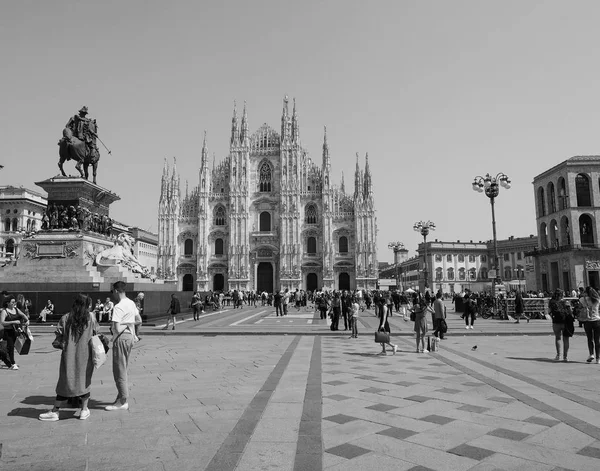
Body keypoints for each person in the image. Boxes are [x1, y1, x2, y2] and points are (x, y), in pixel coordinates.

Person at [38, 294, 98, 421]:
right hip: (86, 355)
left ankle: (55, 410)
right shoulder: (91, 318)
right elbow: (96, 333)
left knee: (65, 381)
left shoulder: (66, 318)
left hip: (69, 355)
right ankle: (84, 410)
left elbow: (58, 334)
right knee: (85, 380)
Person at [105, 281, 140, 411]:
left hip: (121, 337)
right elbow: (139, 320)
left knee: (119, 369)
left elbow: (118, 328)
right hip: (129, 337)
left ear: (115, 291)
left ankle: (123, 401)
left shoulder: (119, 307)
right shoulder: (131, 303)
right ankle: (120, 397)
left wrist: (126, 323)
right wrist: (130, 323)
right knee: (123, 367)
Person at [0, 296, 29, 370]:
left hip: (15, 331)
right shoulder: (4, 311)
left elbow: (23, 315)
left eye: (14, 302)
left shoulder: (16, 309)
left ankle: (8, 360)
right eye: (12, 302)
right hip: (7, 332)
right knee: (11, 347)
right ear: (8, 303)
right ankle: (12, 363)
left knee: (10, 347)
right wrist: (13, 322)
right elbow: (2, 322)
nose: (14, 303)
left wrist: (27, 320)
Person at [580, 286, 600, 364]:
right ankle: (598, 358)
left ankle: (591, 354)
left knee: (589, 339)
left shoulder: (583, 300)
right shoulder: (597, 300)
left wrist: (584, 296)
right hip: (597, 320)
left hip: (587, 320)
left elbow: (580, 307)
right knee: (597, 340)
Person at [549, 289, 570, 362]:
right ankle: (565, 356)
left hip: (556, 322)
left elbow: (549, 311)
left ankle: (558, 355)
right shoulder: (565, 302)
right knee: (566, 339)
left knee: (558, 338)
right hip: (565, 322)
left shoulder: (552, 302)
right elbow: (570, 312)